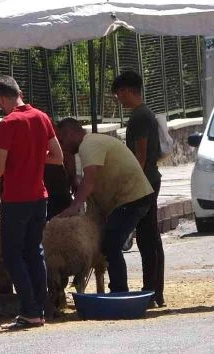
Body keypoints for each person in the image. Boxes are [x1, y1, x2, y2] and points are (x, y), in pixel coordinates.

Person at [0, 75, 63, 330]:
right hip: (39, 198)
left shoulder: (8, 123)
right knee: (35, 252)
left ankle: (28, 311)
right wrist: (33, 156)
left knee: (13, 256)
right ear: (19, 92)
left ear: (1, 99)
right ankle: (40, 309)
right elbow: (57, 157)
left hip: (16, 200)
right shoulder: (42, 117)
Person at [55, 118, 154, 296]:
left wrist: (75, 206)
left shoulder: (88, 145)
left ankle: (119, 293)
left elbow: (89, 179)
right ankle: (150, 293)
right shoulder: (94, 143)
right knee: (145, 244)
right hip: (139, 194)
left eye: (61, 141)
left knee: (111, 245)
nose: (62, 147)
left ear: (70, 134)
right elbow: (94, 184)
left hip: (131, 197)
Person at [112, 71, 165, 307]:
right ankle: (155, 291)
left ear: (126, 91)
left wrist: (132, 186)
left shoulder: (140, 117)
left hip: (145, 182)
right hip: (149, 180)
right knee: (150, 236)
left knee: (147, 238)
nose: (118, 98)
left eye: (118, 93)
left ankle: (151, 291)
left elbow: (140, 157)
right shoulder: (143, 114)